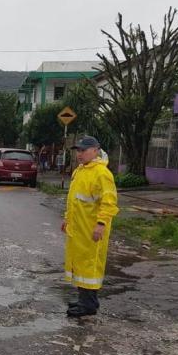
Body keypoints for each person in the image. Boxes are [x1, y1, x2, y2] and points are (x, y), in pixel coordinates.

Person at [61, 136, 119, 317]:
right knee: (80, 265)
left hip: (92, 229)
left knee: (90, 266)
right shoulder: (81, 171)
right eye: (78, 150)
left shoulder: (102, 174)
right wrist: (67, 219)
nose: (80, 154)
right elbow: (74, 200)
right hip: (79, 228)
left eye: (83, 150)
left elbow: (109, 203)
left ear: (95, 150)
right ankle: (84, 301)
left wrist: (101, 224)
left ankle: (88, 306)